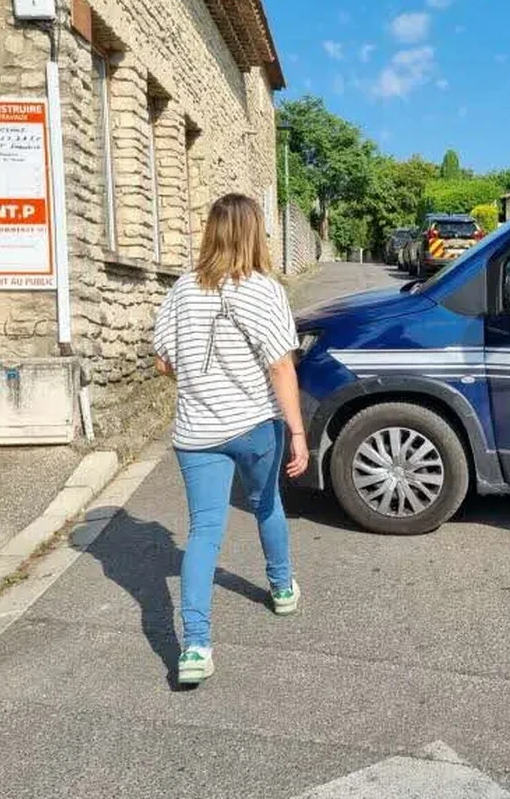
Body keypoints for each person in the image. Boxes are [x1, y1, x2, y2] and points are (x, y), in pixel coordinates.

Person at [152, 193, 309, 686]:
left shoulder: (181, 289)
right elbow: (281, 365)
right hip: (256, 427)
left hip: (197, 433)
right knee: (266, 506)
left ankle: (195, 645)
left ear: (211, 233)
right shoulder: (263, 290)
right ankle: (281, 588)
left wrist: (201, 377)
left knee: (203, 532)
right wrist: (299, 432)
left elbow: (162, 361)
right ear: (254, 233)